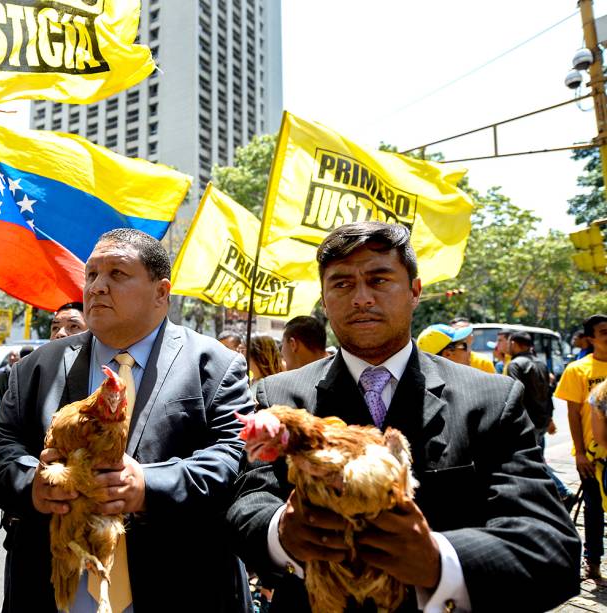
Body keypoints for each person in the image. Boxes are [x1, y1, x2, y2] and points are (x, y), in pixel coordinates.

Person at [226, 221, 580, 612]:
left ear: (414, 291)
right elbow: (247, 505)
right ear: (324, 301)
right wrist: (282, 532)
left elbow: (551, 547)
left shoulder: (492, 399)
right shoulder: (277, 396)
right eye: (341, 284)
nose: (361, 298)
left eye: (379, 280)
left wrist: (437, 560)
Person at [0, 228, 254, 612]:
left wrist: (148, 485)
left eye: (117, 274)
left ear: (161, 292)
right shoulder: (36, 367)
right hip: (53, 591)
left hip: (181, 589)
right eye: (91, 274)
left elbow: (236, 457)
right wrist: (35, 484)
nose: (96, 287)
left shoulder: (215, 365)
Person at [554, 313, 607, 580]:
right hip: (593, 457)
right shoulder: (577, 370)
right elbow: (573, 414)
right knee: (593, 507)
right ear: (590, 338)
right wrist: (581, 453)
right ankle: (593, 558)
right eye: (604, 332)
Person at [507, 332, 572, 507]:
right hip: (541, 420)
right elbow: (548, 394)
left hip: (527, 422)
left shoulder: (515, 365)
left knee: (534, 463)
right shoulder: (540, 363)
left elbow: (514, 395)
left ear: (514, 344)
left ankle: (563, 493)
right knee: (538, 459)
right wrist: (549, 418)